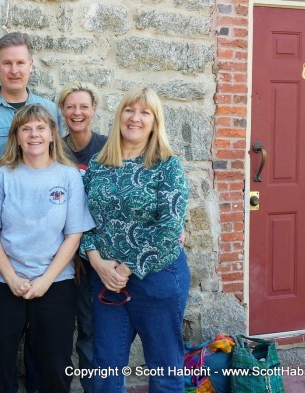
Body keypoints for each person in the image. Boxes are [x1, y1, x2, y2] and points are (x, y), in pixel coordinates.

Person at [0, 31, 62, 391]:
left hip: (47, 250)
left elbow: (59, 168)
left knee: (45, 349)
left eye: (21, 62)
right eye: (7, 63)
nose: (14, 70)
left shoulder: (50, 111)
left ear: (31, 66)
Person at [0, 104, 94, 393]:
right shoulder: (2, 175)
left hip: (55, 284)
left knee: (54, 367)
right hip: (3, 282)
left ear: (53, 134)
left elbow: (74, 234)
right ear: (16, 136)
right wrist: (13, 278)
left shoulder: (69, 177)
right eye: (26, 129)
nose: (34, 134)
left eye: (41, 127)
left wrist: (44, 281)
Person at [81, 87, 189, 393]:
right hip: (106, 281)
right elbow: (80, 219)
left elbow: (169, 228)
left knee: (165, 368)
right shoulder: (99, 165)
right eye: (130, 110)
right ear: (119, 116)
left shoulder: (167, 165)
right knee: (105, 366)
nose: (136, 118)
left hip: (157, 280)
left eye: (145, 112)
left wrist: (125, 269)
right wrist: (97, 262)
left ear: (155, 122)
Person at [56, 82, 106, 393]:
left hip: (96, 255)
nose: (77, 112)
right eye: (71, 107)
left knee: (91, 331)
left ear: (93, 110)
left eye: (83, 106)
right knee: (58, 331)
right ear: (62, 111)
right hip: (60, 254)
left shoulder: (107, 148)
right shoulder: (54, 149)